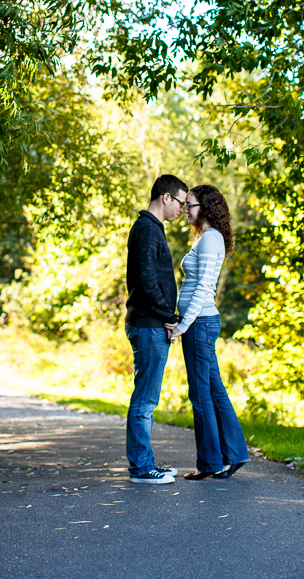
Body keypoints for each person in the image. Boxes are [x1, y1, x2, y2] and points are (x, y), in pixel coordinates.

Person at [165, 184, 249, 480]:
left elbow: (203, 289)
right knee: (212, 391)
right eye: (185, 205)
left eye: (191, 205)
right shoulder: (206, 238)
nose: (185, 210)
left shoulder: (211, 239)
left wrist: (183, 326)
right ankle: (232, 455)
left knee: (200, 395)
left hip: (200, 324)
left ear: (207, 208)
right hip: (198, 324)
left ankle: (211, 462)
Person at [125, 173, 188, 484]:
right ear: (166, 197)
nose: (181, 209)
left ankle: (145, 463)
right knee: (146, 399)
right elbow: (148, 281)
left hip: (150, 322)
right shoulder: (148, 229)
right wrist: (169, 315)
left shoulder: (150, 228)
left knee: (147, 397)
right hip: (149, 324)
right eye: (179, 201)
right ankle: (141, 469)